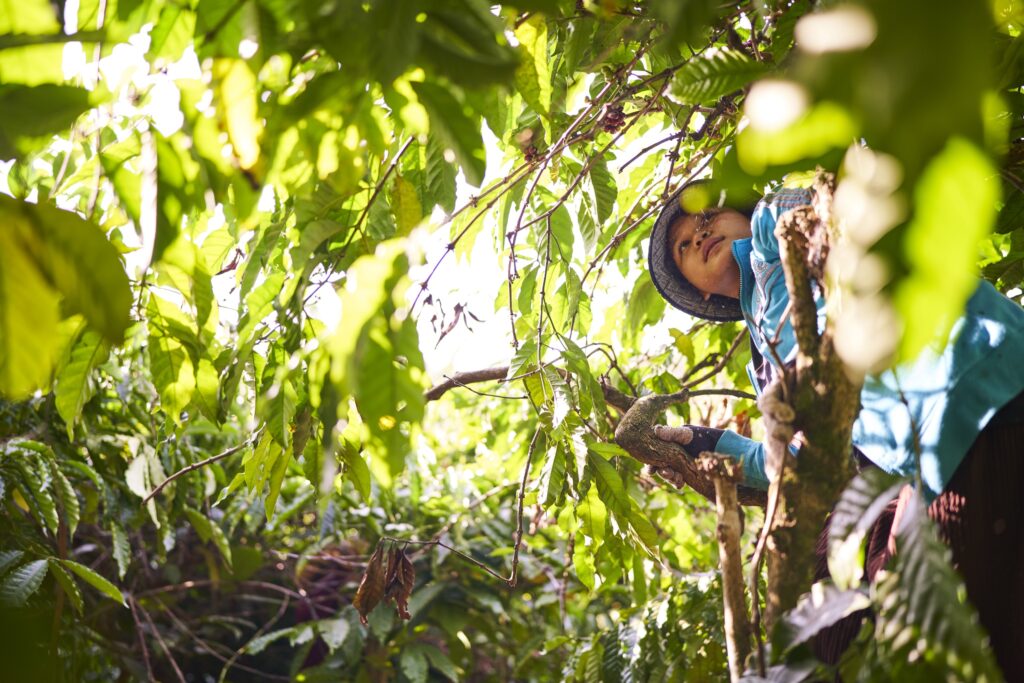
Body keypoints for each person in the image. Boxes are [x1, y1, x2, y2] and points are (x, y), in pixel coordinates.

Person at [646, 181, 1024, 676]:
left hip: (965, 393)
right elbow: (808, 457)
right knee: (834, 627)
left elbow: (825, 208)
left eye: (707, 218)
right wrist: (711, 447)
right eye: (684, 246)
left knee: (941, 631)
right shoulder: (764, 362)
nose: (699, 236)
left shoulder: (768, 228)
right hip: (924, 452)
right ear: (698, 286)